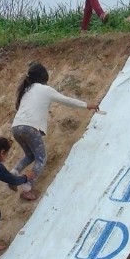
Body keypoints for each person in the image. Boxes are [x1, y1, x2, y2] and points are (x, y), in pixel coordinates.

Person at [10, 62, 100, 201]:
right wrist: (87, 105)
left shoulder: (27, 90)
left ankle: (14, 173)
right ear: (43, 78)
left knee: (30, 155)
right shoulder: (45, 89)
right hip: (30, 128)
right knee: (41, 158)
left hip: (16, 127)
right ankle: (27, 187)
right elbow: (67, 100)